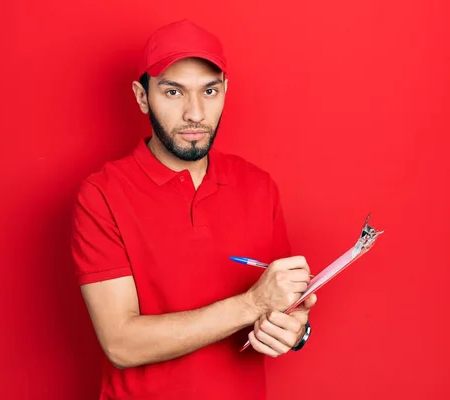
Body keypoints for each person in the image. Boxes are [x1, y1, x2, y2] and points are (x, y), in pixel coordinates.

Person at [71, 19, 317, 400]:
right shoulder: (101, 194)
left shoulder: (258, 185)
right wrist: (251, 303)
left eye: (210, 91)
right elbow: (121, 344)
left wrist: (295, 329)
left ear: (225, 92)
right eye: (173, 92)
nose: (195, 114)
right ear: (141, 96)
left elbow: (285, 307)